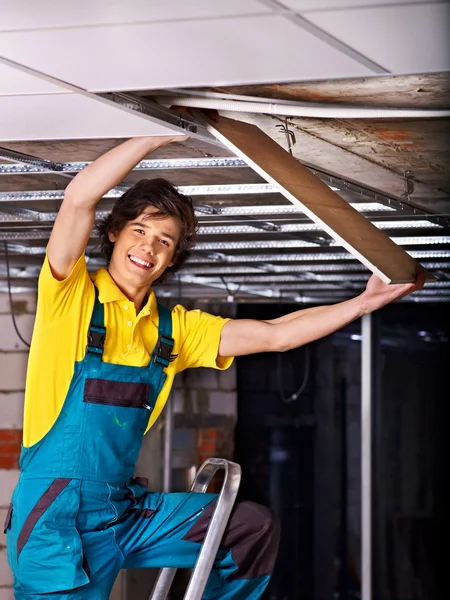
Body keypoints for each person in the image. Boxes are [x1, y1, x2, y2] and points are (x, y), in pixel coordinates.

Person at [4, 135, 424, 600]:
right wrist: (155, 135)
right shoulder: (70, 298)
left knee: (247, 529)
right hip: (56, 524)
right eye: (139, 231)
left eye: (165, 240)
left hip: (123, 512)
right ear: (114, 233)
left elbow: (275, 333)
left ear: (173, 256)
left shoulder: (174, 331)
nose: (149, 247)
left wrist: (365, 304)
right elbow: (78, 197)